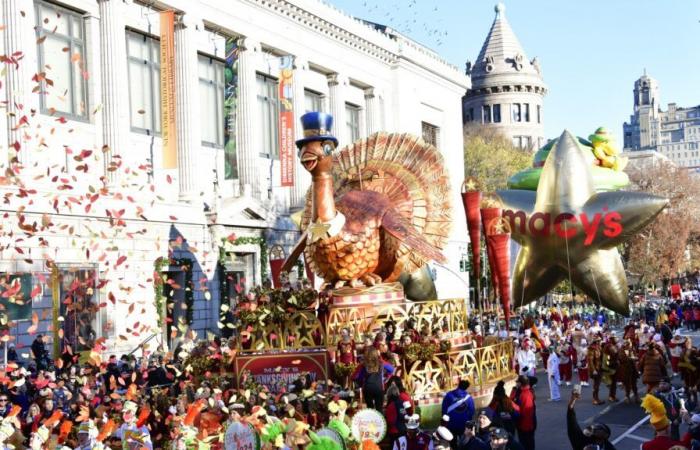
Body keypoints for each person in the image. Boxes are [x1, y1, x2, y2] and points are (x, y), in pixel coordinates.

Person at [510, 375, 536, 450]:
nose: (516, 383)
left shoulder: (525, 394)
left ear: (521, 383)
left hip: (525, 425)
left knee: (526, 444)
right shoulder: (523, 392)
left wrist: (512, 404)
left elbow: (526, 411)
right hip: (524, 424)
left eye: (517, 382)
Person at [588, 337, 605, 405]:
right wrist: (594, 370)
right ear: (596, 342)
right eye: (598, 341)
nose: (600, 342)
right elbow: (590, 361)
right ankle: (595, 399)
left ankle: (597, 398)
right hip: (595, 369)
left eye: (600, 341)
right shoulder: (591, 349)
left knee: (598, 385)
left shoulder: (599, 348)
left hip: (600, 368)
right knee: (596, 385)